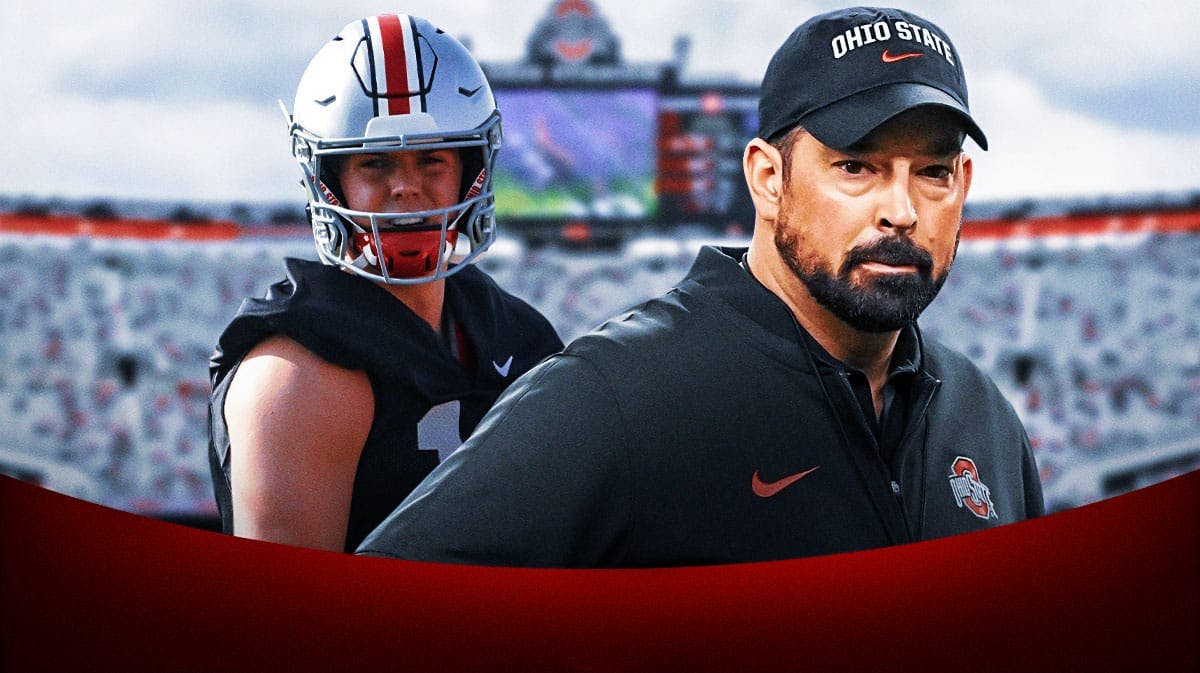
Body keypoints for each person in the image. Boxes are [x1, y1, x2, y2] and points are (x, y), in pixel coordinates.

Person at [357, 6, 1044, 566]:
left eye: (932, 171)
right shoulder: (614, 394)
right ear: (767, 179)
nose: (902, 209)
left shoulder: (985, 420)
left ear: (964, 185)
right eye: (856, 166)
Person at [207, 14, 562, 553]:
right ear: (329, 182)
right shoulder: (297, 377)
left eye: (432, 161)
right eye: (374, 164)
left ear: (472, 170)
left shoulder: (518, 336)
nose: (405, 188)